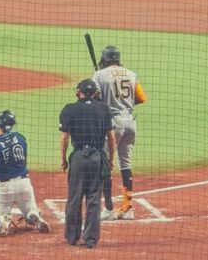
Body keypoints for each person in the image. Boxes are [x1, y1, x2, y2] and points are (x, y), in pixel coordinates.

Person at [59, 79, 116, 249]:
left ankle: (72, 237)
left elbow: (64, 137)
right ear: (95, 92)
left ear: (79, 92)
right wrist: (111, 160)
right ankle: (90, 239)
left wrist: (63, 160)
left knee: (74, 198)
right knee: (94, 199)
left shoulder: (69, 109)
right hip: (97, 157)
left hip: (78, 158)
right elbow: (111, 137)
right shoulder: (104, 108)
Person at [93, 46, 147, 221]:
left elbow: (95, 100)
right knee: (125, 163)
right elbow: (141, 98)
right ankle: (128, 208)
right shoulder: (131, 74)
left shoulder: (99, 75)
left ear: (105, 59)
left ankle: (108, 209)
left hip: (112, 125)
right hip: (130, 122)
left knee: (106, 164)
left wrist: (106, 97)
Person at [0, 110, 50, 237]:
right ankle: (33, 215)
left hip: (5, 188)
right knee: (30, 213)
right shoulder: (21, 138)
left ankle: (1, 220)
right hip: (24, 184)